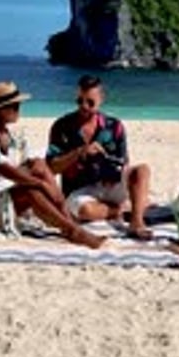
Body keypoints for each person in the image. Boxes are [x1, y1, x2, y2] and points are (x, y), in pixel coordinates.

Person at [0, 81, 105, 249]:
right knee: (32, 189)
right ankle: (72, 229)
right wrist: (39, 184)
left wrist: (39, 175)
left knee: (38, 164)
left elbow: (24, 165)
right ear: (0, 110)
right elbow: (4, 169)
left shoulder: (12, 135)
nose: (19, 109)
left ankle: (66, 218)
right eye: (15, 106)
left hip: (9, 189)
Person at [46, 74, 152, 239]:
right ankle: (124, 209)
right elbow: (51, 167)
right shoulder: (61, 127)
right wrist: (79, 152)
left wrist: (110, 169)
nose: (84, 106)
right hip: (80, 190)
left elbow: (124, 161)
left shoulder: (114, 126)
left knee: (142, 170)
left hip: (110, 183)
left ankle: (136, 221)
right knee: (86, 211)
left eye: (90, 102)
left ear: (101, 99)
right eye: (80, 101)